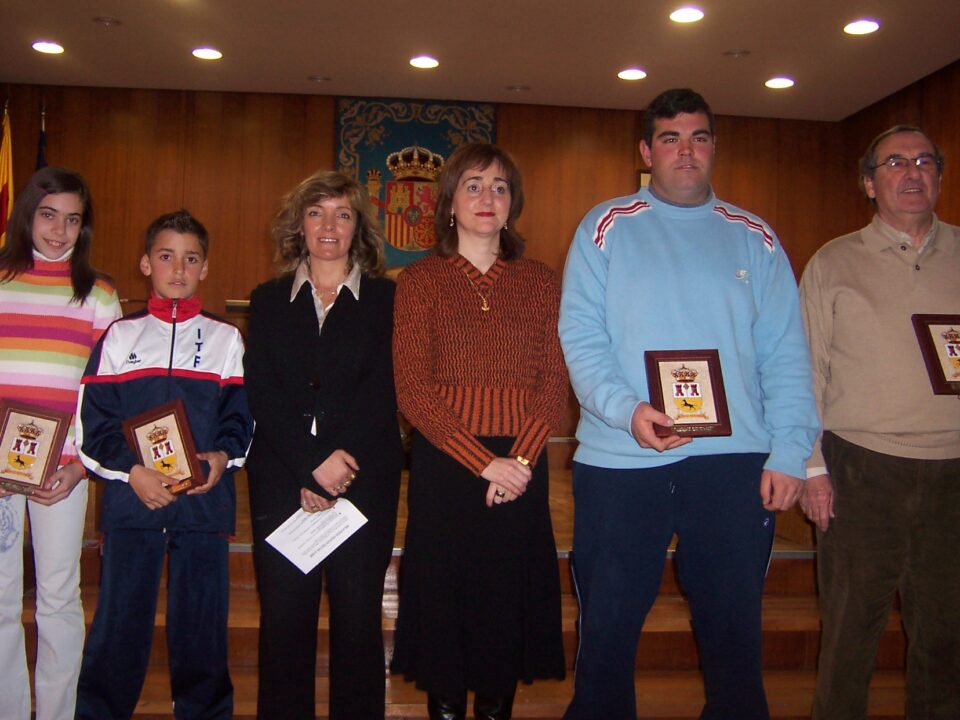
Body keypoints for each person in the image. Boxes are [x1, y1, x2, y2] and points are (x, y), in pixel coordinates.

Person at [558, 88, 819, 720]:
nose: (686, 150)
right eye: (670, 138)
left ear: (713, 149)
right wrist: (627, 410)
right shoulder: (604, 226)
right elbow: (581, 338)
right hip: (622, 460)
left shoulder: (755, 238)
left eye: (699, 137)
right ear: (646, 151)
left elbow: (786, 354)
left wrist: (790, 452)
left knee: (734, 635)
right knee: (609, 634)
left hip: (732, 465)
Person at [390, 142, 567, 720]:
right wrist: (484, 462)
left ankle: (494, 710)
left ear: (513, 203)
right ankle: (444, 708)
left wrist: (518, 461)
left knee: (502, 602)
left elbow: (553, 382)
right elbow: (413, 389)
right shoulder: (418, 282)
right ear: (448, 203)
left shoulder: (541, 281)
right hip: (448, 465)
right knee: (444, 597)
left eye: (499, 187)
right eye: (472, 185)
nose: (486, 197)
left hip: (522, 460)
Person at [799, 126, 960, 720]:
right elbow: (805, 372)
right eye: (895, 162)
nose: (912, 172)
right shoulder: (834, 262)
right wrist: (812, 467)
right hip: (862, 469)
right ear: (870, 183)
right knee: (848, 634)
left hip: (955, 476)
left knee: (948, 636)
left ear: (939, 176)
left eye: (924, 161)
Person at [74, 209, 253, 719]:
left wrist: (222, 457)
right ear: (145, 263)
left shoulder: (226, 340)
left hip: (203, 505)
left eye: (190, 258)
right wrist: (132, 472)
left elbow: (241, 421)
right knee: (118, 626)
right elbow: (94, 425)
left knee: (202, 629)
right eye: (166, 256)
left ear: (205, 268)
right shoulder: (118, 336)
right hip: (133, 503)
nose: (178, 268)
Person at [245, 170, 403, 719]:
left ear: (358, 226)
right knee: (284, 624)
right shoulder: (266, 302)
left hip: (363, 487)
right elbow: (261, 392)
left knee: (358, 624)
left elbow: (386, 392)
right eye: (316, 213)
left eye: (341, 213)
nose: (328, 225)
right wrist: (311, 468)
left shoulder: (391, 300)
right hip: (283, 483)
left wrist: (338, 470)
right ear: (299, 225)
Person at [0, 167, 121, 720]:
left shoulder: (98, 294)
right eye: (49, 215)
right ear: (28, 213)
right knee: (0, 602)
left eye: (72, 219)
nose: (58, 230)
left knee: (57, 597)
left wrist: (78, 468)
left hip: (64, 470)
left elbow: (103, 395)